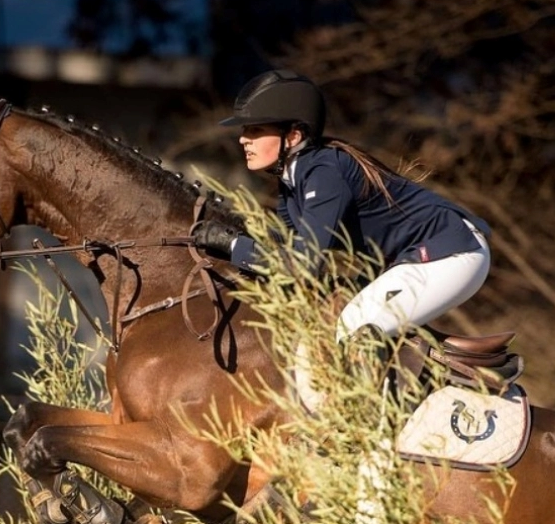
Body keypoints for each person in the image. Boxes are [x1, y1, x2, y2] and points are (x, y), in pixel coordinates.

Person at [193, 69, 491, 347]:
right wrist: (234, 231)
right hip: (415, 259)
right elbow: (287, 246)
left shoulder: (324, 172)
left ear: (293, 136)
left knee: (351, 326)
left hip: (451, 253)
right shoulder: (292, 184)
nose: (244, 138)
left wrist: (234, 245)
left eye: (256, 129)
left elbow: (302, 267)